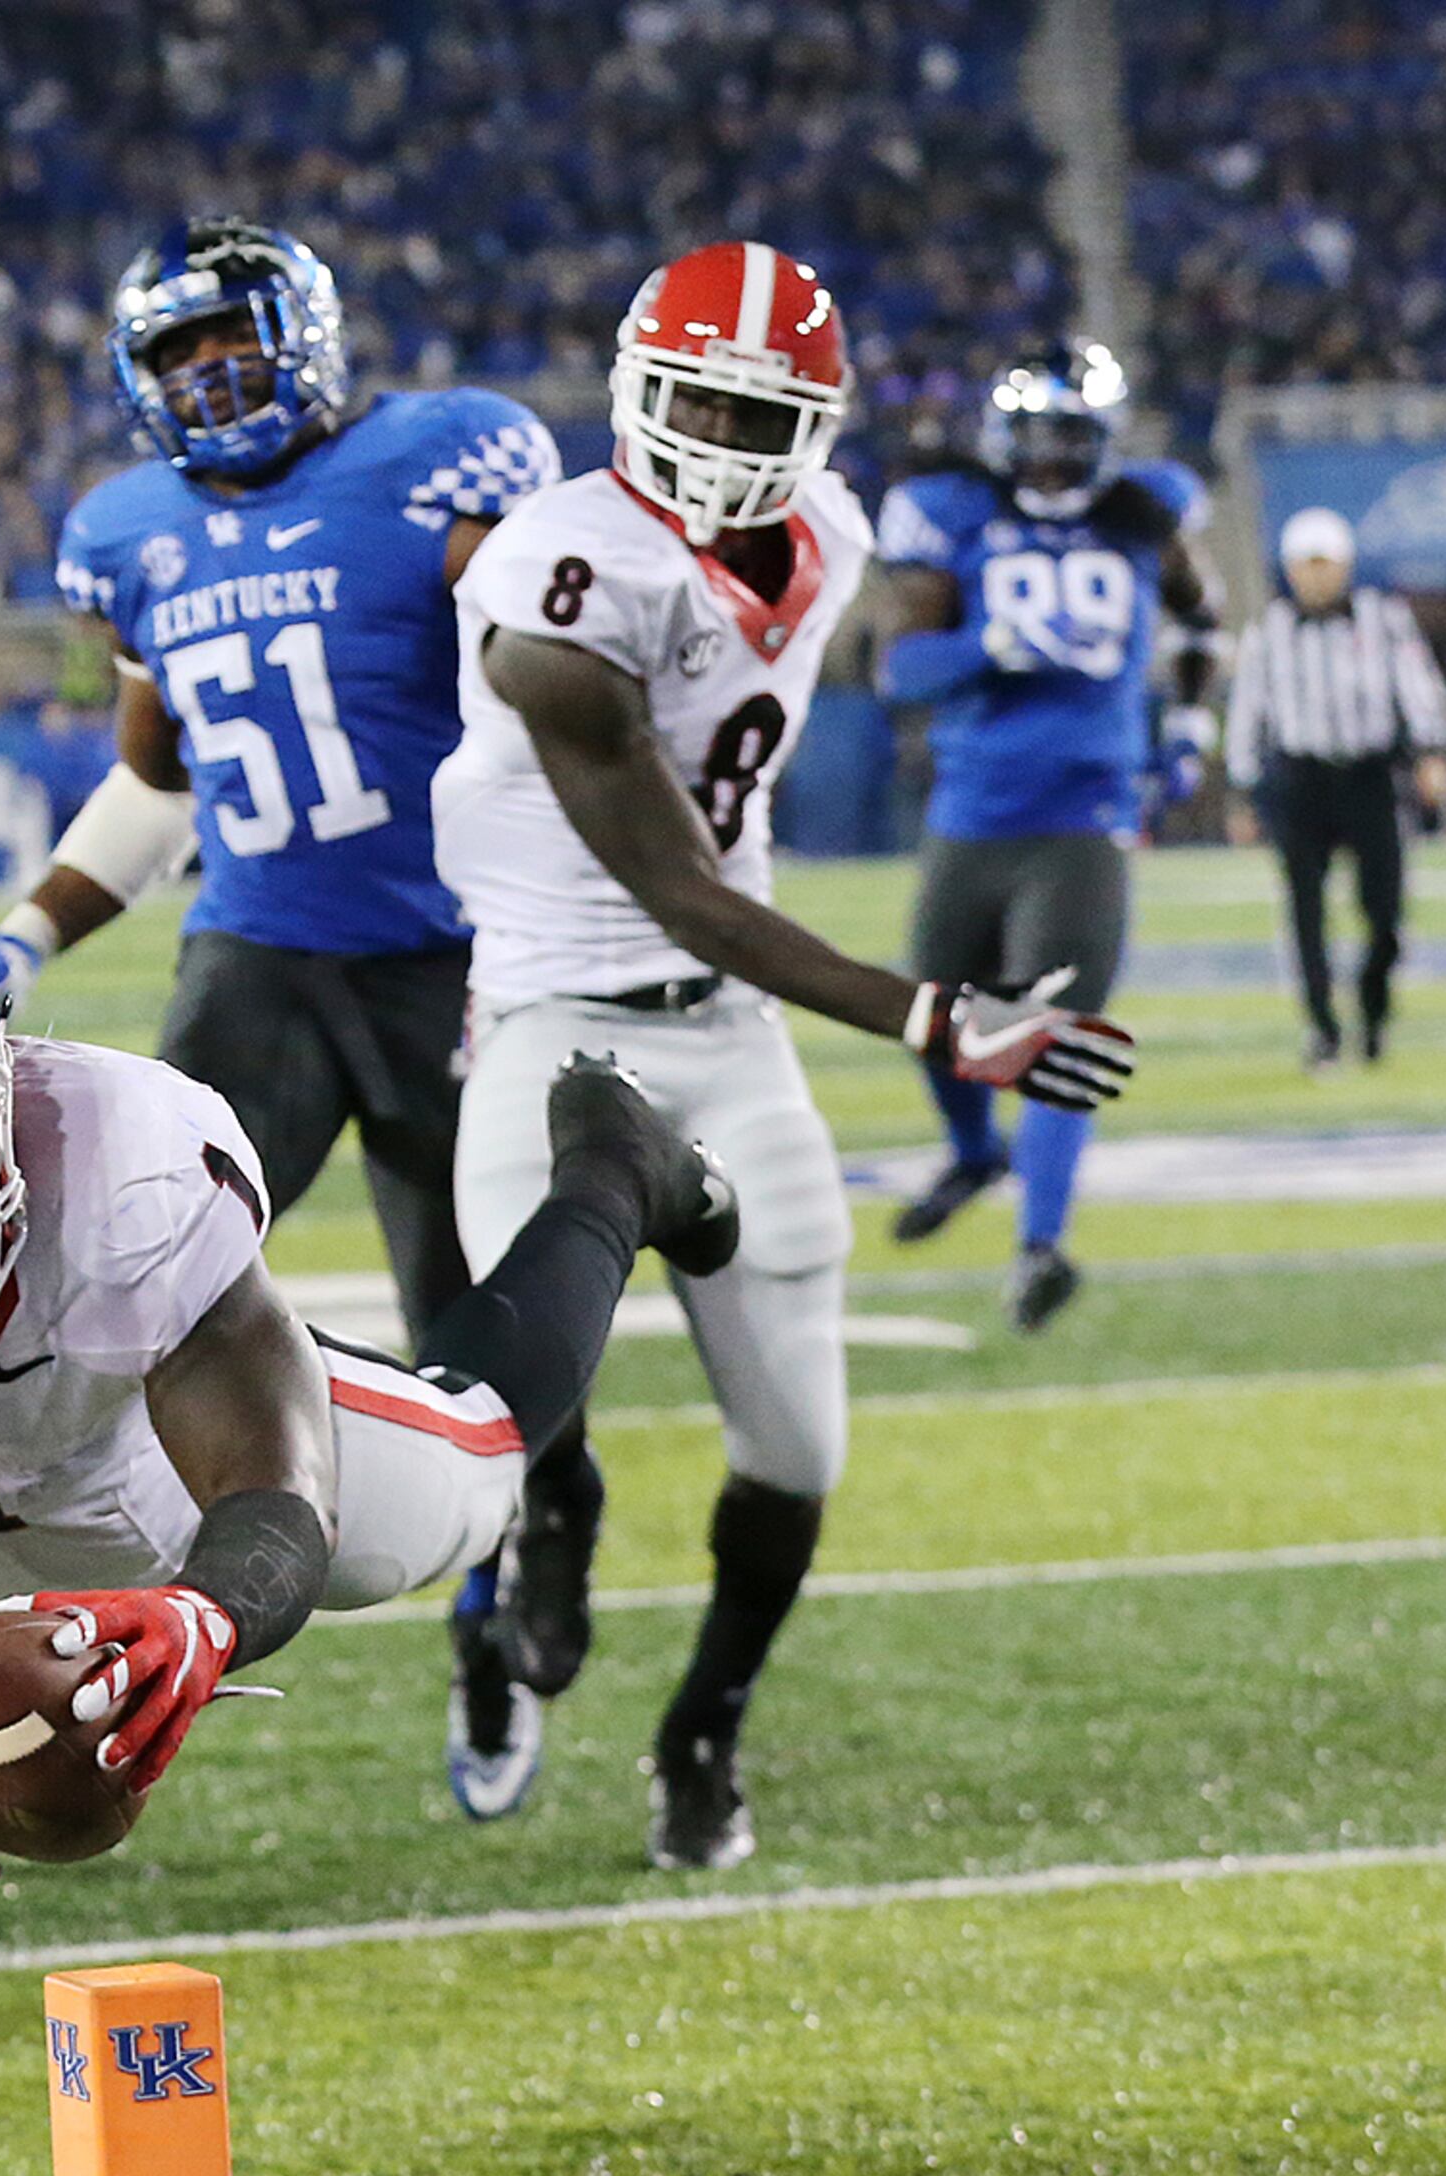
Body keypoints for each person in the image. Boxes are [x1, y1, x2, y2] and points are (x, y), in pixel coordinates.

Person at [0, 904, 741, 1870]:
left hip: (144, 1460)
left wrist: (204, 1613)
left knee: (476, 1462)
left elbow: (274, 1486)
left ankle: (615, 1169)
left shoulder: (124, 1156)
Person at [433, 241, 1138, 1872]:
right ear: (630, 382)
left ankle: (703, 1731)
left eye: (758, 409)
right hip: (558, 1020)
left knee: (802, 1447)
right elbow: (677, 888)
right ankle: (557, 1522)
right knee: (508, 1405)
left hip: (730, 1037)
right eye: (691, 396)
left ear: (817, 422)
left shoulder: (829, 530)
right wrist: (935, 1012)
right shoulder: (558, 575)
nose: (721, 436)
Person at [0, 216, 568, 1819]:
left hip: (457, 961)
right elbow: (156, 779)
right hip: (261, 959)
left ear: (305, 331)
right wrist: (23, 938)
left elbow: (558, 690)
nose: (212, 372)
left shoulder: (442, 464)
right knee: (123, 1273)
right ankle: (89, 1586)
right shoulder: (130, 530)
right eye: (178, 351)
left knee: (481, 1338)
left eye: (234, 336)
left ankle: (497, 1609)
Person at [873, 339, 1220, 1333]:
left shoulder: (1147, 512)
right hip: (972, 808)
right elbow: (902, 669)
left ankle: (1042, 1244)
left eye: (1073, 440)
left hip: (1086, 807)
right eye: (1036, 438)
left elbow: (1204, 625)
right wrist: (990, 645)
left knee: (1052, 1029)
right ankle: (975, 1151)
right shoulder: (953, 511)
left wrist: (1192, 726)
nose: (1053, 462)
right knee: (935, 1021)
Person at [1224, 510, 1446, 1067]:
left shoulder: (1384, 619)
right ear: (1289, 569)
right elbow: (1248, 713)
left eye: (1325, 564)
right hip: (1300, 779)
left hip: (1369, 775)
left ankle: (1373, 1012)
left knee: (1385, 911)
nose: (1316, 576)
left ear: (1345, 565)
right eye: (1306, 565)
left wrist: (1430, 751)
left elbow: (1417, 684)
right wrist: (1241, 789)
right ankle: (1323, 1027)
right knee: (1305, 911)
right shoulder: (1269, 631)